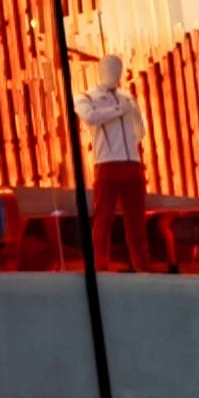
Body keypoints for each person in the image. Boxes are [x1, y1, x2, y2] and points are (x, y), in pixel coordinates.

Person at [74, 51, 150, 271]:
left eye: (117, 68)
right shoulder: (86, 97)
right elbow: (90, 117)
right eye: (110, 67)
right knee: (103, 220)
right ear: (101, 70)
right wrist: (118, 111)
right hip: (107, 163)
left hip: (132, 163)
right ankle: (100, 269)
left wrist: (133, 126)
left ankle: (144, 270)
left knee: (136, 222)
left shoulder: (128, 97)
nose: (114, 72)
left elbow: (140, 129)